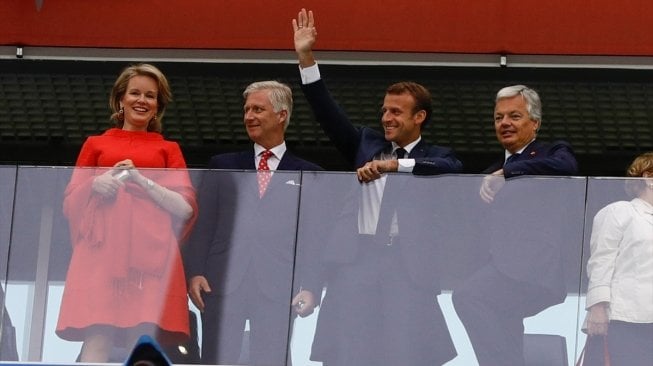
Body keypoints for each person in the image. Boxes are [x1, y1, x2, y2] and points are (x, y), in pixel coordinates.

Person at [293, 9, 462, 365]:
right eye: (385, 110)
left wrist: (395, 165)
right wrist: (306, 59)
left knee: (406, 354)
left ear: (419, 118)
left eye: (397, 112)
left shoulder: (436, 155)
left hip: (406, 267)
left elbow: (451, 168)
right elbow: (327, 113)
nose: (386, 117)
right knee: (346, 352)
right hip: (356, 262)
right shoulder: (365, 143)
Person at [55, 63, 198, 363]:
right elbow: (70, 202)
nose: (142, 101)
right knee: (97, 337)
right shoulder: (95, 144)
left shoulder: (168, 148)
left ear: (158, 105)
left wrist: (140, 179)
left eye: (150, 95)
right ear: (120, 99)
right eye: (134, 93)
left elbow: (185, 208)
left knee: (141, 341)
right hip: (102, 255)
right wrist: (97, 183)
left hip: (150, 255)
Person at [183, 80, 323, 365]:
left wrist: (310, 285)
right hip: (220, 283)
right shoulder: (222, 165)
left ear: (282, 115)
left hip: (279, 287)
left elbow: (313, 236)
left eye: (258, 109)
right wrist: (195, 271)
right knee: (215, 360)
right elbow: (204, 223)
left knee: (272, 360)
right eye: (247, 110)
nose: (249, 116)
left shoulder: (308, 173)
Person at [451, 85, 578, 365]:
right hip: (499, 272)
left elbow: (566, 167)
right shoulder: (487, 173)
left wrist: (508, 173)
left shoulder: (552, 152)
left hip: (533, 271)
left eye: (514, 116)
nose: (505, 123)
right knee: (500, 324)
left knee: (467, 297)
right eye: (499, 118)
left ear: (535, 123)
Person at [584, 152, 653, 366]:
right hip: (624, 320)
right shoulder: (619, 211)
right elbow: (601, 262)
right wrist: (597, 308)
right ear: (649, 177)